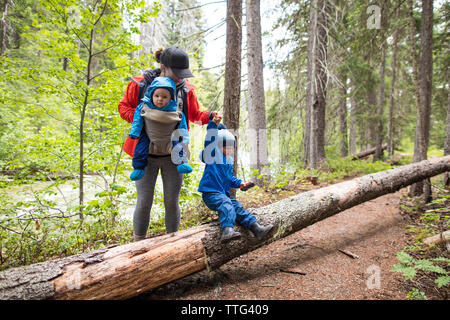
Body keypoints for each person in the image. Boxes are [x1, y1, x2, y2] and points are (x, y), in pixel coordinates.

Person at [118, 46, 219, 241]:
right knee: (144, 201)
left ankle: (172, 243)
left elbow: (195, 116)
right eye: (177, 73)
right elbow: (123, 108)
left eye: (184, 74)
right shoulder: (141, 84)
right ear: (163, 67)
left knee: (171, 201)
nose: (181, 77)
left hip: (175, 156)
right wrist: (144, 117)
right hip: (145, 155)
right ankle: (138, 245)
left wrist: (210, 117)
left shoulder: (186, 90)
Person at [198, 114, 274, 243]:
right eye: (225, 147)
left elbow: (229, 178)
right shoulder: (212, 155)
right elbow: (210, 140)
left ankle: (257, 229)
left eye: (230, 148)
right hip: (210, 193)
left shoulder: (228, 161)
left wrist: (241, 184)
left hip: (222, 194)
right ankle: (227, 231)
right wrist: (213, 125)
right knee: (226, 204)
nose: (228, 150)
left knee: (237, 206)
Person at [128, 76, 192, 181]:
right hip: (149, 136)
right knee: (141, 147)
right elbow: (137, 120)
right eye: (156, 96)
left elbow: (182, 126)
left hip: (169, 137)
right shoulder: (144, 106)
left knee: (178, 144)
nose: (160, 99)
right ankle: (138, 167)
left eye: (164, 97)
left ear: (171, 97)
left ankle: (181, 162)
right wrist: (135, 132)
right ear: (151, 95)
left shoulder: (176, 110)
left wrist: (185, 139)